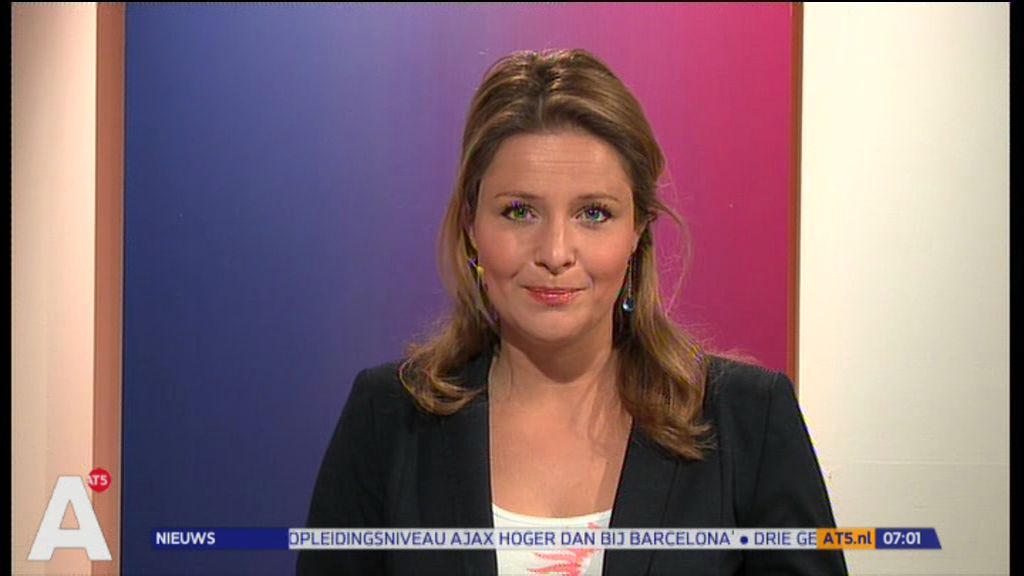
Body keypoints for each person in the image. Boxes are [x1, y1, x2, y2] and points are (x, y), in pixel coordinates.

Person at [298, 48, 847, 576]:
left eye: (594, 213)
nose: (556, 252)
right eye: (519, 211)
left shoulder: (748, 420)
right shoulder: (388, 418)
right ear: (471, 225)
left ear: (637, 231)